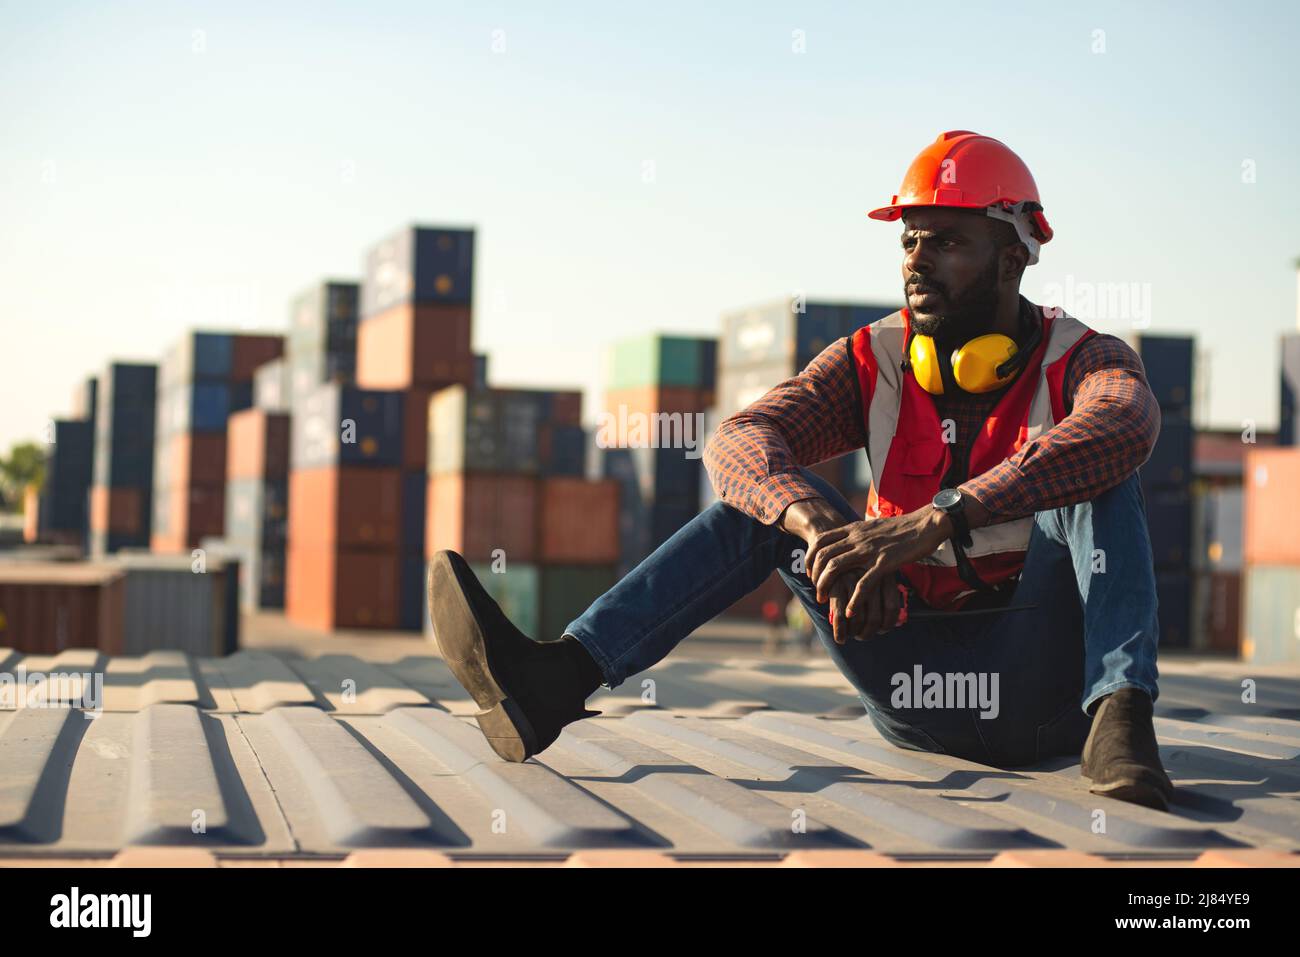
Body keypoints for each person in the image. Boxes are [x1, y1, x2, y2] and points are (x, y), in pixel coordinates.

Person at [427, 130, 1175, 812]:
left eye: (946, 241)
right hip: (909, 679)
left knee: (1099, 468)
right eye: (910, 240)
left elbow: (1124, 423)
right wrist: (818, 529)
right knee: (761, 506)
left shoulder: (1084, 359)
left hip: (1043, 691)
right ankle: (552, 681)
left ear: (1014, 255)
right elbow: (740, 440)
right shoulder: (872, 360)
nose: (916, 258)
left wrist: (932, 522)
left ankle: (1122, 717)